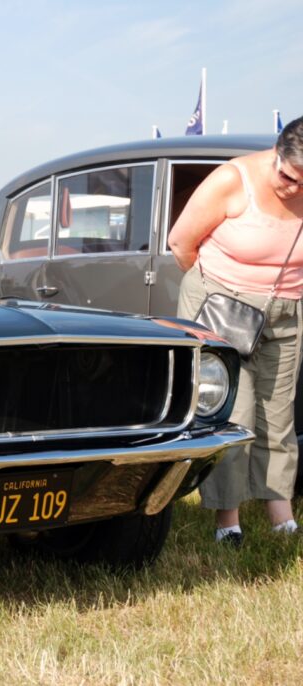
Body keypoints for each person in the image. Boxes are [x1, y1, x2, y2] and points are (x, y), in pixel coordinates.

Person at [168, 115, 303, 546]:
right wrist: (225, 296)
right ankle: (228, 521)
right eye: (288, 176)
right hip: (223, 305)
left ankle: (280, 513)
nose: (293, 188)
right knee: (234, 414)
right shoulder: (233, 179)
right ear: (275, 154)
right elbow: (180, 243)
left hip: (285, 312)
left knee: (278, 415)